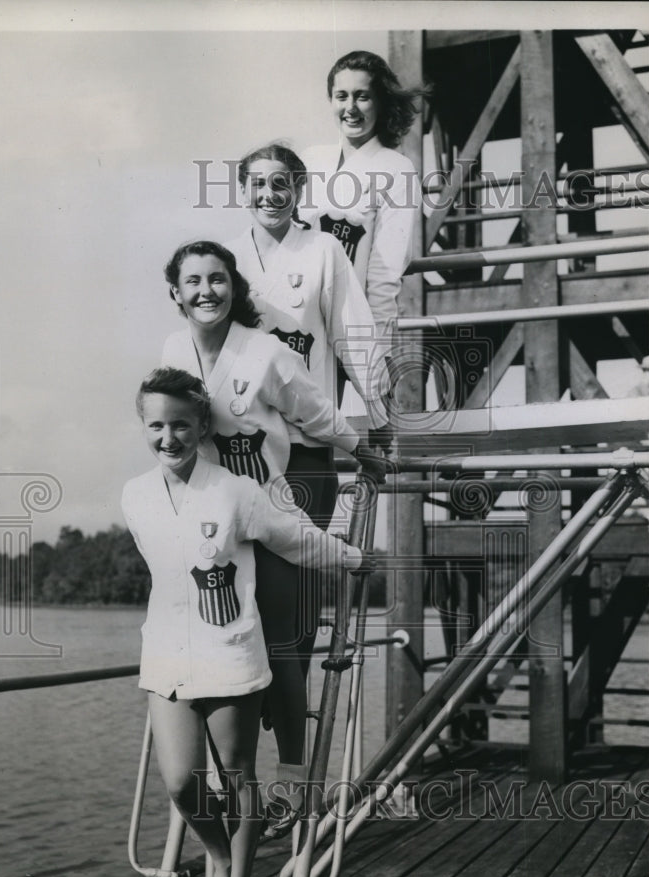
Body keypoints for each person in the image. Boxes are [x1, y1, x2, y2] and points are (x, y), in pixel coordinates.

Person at [122, 366, 365, 877]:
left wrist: (355, 558)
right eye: (156, 426)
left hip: (231, 652)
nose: (168, 438)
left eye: (180, 425)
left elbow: (296, 538)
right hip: (166, 657)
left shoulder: (236, 491)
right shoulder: (134, 495)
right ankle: (221, 854)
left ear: (201, 425)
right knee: (180, 780)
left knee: (237, 780)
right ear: (144, 428)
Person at [159, 240, 384, 828]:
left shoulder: (265, 351)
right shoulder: (172, 350)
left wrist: (364, 448)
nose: (206, 291)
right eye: (193, 282)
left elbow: (313, 409)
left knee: (283, 648)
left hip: (268, 506)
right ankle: (233, 786)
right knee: (218, 643)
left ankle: (292, 785)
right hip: (210, 518)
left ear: (233, 287)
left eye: (217, 279)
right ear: (176, 294)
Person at [227, 142, 390, 679]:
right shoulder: (226, 260)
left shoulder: (323, 249)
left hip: (306, 447)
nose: (269, 195)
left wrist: (379, 416)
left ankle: (293, 740)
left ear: (297, 191)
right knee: (245, 583)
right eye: (258, 184)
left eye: (281, 184)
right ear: (242, 190)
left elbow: (354, 334)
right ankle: (245, 713)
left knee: (298, 585)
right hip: (241, 447)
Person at [300, 50, 428, 356]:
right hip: (299, 321)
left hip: (350, 326)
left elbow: (384, 275)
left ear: (381, 102)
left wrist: (376, 352)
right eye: (341, 96)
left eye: (362, 97)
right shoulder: (310, 159)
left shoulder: (396, 169)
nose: (350, 108)